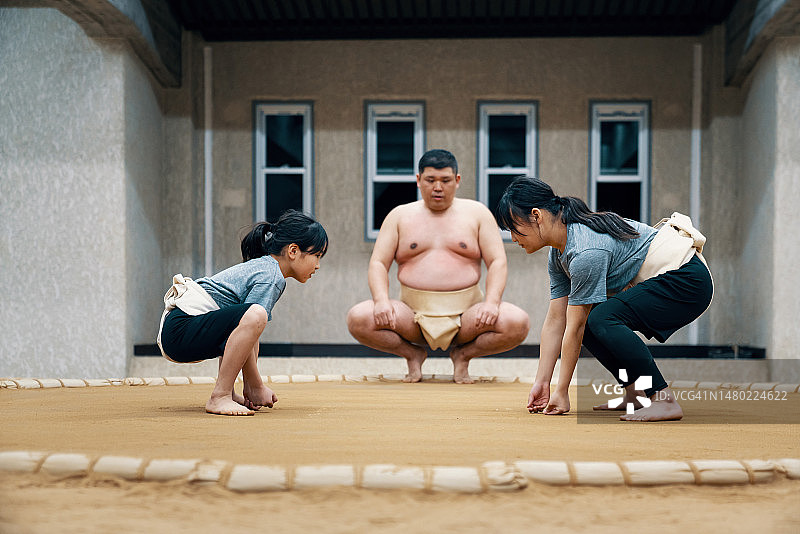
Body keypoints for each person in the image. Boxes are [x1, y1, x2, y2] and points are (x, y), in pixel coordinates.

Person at [495, 177, 713, 421]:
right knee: (593, 321)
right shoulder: (559, 253)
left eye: (514, 229)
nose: (513, 238)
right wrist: (542, 382)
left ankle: (663, 399)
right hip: (673, 278)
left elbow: (574, 326)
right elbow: (556, 319)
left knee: (600, 318)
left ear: (536, 215)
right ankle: (636, 393)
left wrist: (562, 391)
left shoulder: (585, 250)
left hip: (687, 280)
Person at [346, 149, 529, 384]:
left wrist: (492, 303)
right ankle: (412, 354)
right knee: (358, 318)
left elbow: (497, 261)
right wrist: (381, 300)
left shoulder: (477, 214)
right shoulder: (399, 216)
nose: (438, 187)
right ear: (418, 180)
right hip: (411, 314)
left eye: (445, 180)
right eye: (430, 180)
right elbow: (379, 263)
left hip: (467, 315)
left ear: (457, 180)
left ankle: (463, 355)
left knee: (517, 322)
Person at [157, 210, 328, 416]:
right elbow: (252, 321)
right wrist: (257, 385)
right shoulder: (271, 276)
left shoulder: (267, 268)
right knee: (256, 315)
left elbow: (246, 332)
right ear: (293, 251)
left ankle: (228, 392)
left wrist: (252, 386)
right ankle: (219, 396)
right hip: (180, 330)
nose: (317, 265)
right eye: (316, 255)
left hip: (181, 328)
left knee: (251, 320)